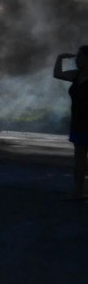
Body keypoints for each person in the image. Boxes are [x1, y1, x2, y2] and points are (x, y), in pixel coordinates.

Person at [54, 45, 88, 200]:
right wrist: (59, 58)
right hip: (78, 123)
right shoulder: (77, 75)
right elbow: (58, 74)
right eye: (78, 57)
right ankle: (78, 191)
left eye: (80, 57)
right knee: (79, 161)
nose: (77, 60)